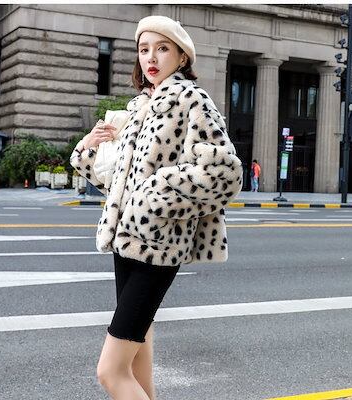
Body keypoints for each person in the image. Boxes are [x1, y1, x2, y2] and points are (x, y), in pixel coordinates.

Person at [70, 15, 243, 400]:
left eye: (162, 48)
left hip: (160, 245)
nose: (151, 57)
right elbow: (117, 183)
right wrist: (91, 147)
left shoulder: (191, 99)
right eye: (144, 49)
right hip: (125, 243)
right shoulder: (139, 107)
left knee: (110, 371)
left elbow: (224, 173)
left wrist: (157, 193)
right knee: (136, 356)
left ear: (182, 57)